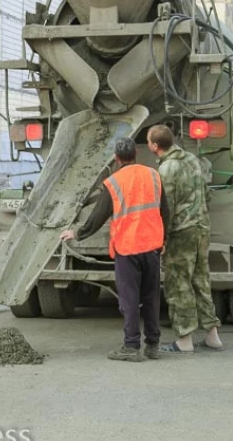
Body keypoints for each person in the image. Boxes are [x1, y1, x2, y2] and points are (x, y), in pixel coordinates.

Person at [60, 137, 170, 362]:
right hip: (151, 246)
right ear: (136, 155)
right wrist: (164, 240)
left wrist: (77, 233)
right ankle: (153, 345)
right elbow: (165, 211)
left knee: (129, 299)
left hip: (128, 248)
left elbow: (98, 216)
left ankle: (131, 346)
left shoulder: (113, 182)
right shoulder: (153, 176)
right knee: (151, 297)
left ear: (117, 158)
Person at [146, 124, 224, 354]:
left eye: (149, 141)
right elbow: (206, 194)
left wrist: (162, 239)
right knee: (201, 282)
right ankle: (212, 336)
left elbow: (166, 208)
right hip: (202, 228)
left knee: (178, 285)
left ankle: (184, 339)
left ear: (154, 146)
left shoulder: (166, 170)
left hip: (182, 232)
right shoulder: (192, 160)